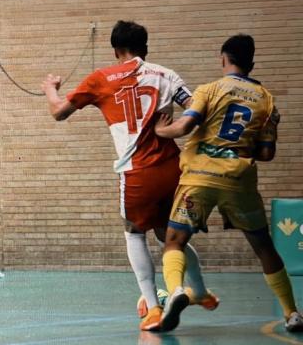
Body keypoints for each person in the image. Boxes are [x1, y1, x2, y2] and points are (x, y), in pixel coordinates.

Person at [42, 20, 216, 331]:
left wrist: (50, 90)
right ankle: (200, 292)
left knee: (134, 232)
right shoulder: (166, 74)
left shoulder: (101, 78)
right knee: (169, 237)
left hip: (138, 171)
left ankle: (152, 307)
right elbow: (196, 110)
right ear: (144, 48)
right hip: (173, 167)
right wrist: (171, 126)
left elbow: (58, 112)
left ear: (115, 50)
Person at [155, 34, 303, 333]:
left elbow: (184, 126)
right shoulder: (267, 101)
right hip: (239, 181)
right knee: (264, 248)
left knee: (174, 241)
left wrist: (160, 129)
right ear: (252, 63)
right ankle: (292, 313)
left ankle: (176, 292)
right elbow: (266, 154)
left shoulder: (209, 90)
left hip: (199, 177)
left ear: (223, 58)